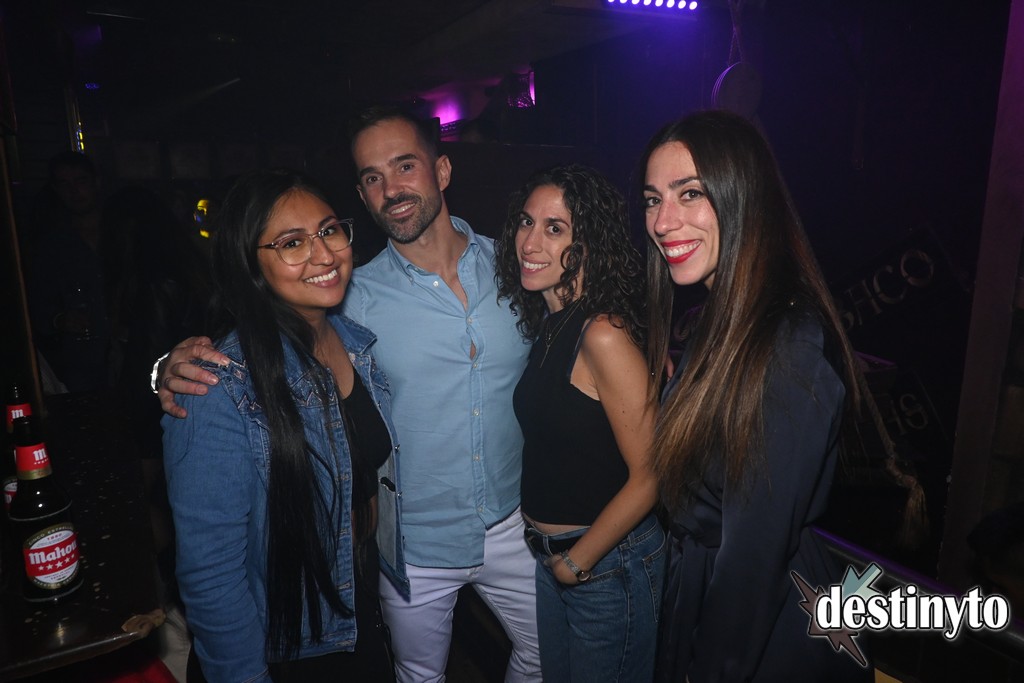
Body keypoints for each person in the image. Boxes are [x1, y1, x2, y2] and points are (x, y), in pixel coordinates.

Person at [154, 107, 542, 683]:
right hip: (395, 553)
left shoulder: (514, 267)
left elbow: (577, 325)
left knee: (550, 653)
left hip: (498, 526)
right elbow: (211, 568)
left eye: (405, 166)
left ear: (442, 169)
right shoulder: (349, 299)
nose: (391, 189)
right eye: (371, 177)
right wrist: (164, 369)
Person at [641, 110, 871, 682]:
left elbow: (752, 561)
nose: (663, 222)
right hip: (710, 597)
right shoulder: (721, 321)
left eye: (689, 193)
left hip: (766, 633)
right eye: (652, 199)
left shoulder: (785, 342)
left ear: (743, 195)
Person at [161, 169, 400, 682]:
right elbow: (211, 576)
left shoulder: (356, 342)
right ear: (249, 263)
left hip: (358, 600)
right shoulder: (218, 386)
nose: (324, 254)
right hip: (286, 640)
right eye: (292, 243)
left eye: (329, 230)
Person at [495, 164, 666, 681]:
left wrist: (577, 563)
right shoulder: (552, 322)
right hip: (558, 562)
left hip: (607, 565)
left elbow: (652, 474)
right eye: (527, 222)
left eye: (555, 228)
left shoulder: (602, 333)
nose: (530, 242)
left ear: (589, 244)